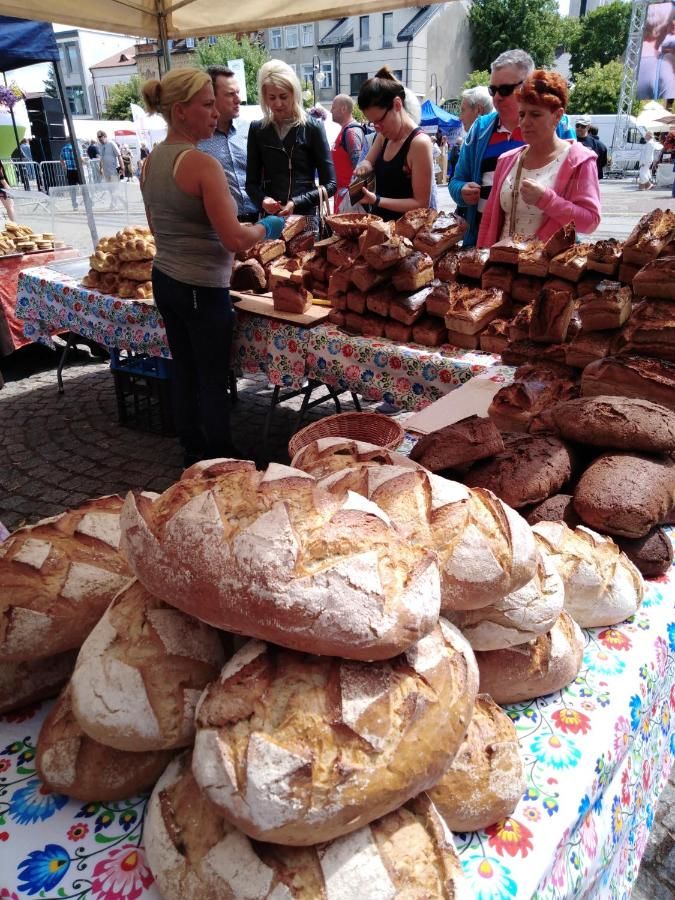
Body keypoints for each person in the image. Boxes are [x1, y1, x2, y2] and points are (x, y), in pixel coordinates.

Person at [141, 67, 285, 467]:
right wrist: (268, 226)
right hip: (200, 288)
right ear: (181, 111)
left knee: (184, 369)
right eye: (206, 105)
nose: (215, 114)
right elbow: (235, 240)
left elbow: (158, 228)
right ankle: (220, 454)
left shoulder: (151, 162)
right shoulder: (202, 165)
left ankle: (191, 448)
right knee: (210, 375)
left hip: (165, 278)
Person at [450, 49, 575, 248]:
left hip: (542, 251)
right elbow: (456, 181)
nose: (497, 98)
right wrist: (462, 191)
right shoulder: (480, 129)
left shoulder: (558, 126)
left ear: (529, 87)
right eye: (493, 90)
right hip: (485, 246)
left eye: (505, 90)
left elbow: (577, 205)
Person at [477, 70, 600, 248]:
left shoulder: (579, 160)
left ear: (557, 115)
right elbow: (488, 220)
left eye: (535, 114)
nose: (525, 122)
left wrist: (547, 200)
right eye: (522, 114)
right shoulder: (507, 160)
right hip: (503, 268)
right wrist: (482, 259)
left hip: (546, 270)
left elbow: (590, 222)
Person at [246, 59, 336, 229]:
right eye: (271, 97)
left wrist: (296, 202)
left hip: (305, 220)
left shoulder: (312, 127)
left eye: (283, 96)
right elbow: (251, 183)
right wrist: (263, 200)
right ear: (264, 97)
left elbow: (331, 185)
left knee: (307, 257)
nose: (278, 104)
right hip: (271, 220)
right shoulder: (258, 129)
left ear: (294, 93)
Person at [353, 66, 434, 220]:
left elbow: (421, 203)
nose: (377, 128)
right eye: (372, 123)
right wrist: (363, 167)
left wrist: (377, 200)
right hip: (381, 229)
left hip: (405, 235)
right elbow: (369, 161)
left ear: (397, 105)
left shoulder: (419, 144)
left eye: (379, 121)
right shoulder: (384, 135)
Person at [198, 65, 258, 223]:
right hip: (222, 227)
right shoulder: (197, 141)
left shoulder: (250, 130)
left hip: (260, 220)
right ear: (211, 97)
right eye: (231, 94)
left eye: (238, 92)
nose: (238, 99)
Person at [330, 93, 365, 212]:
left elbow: (359, 170)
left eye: (333, 107)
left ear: (343, 108)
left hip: (349, 199)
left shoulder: (351, 132)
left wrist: (352, 198)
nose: (331, 110)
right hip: (342, 196)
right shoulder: (345, 131)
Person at [59, 140, 81, 210]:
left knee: (72, 189)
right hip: (78, 170)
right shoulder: (76, 147)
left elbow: (61, 159)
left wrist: (64, 166)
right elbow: (80, 158)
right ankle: (88, 202)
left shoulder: (64, 148)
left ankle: (75, 205)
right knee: (83, 187)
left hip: (70, 171)